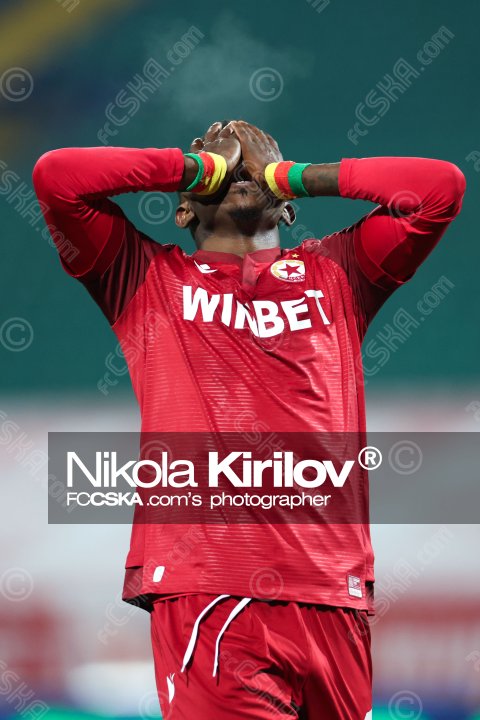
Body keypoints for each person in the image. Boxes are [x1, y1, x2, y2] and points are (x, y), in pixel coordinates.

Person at [33, 120, 465, 719]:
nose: (237, 161)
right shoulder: (145, 278)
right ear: (184, 210)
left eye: (254, 160)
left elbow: (439, 189)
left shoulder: (339, 273)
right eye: (217, 154)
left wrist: (288, 175)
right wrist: (199, 168)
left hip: (332, 595)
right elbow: (58, 178)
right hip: (211, 591)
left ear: (287, 207)